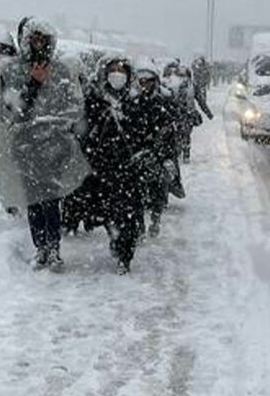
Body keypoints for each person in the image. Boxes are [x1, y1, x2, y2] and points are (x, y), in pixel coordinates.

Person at [0, 17, 89, 268]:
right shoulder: (12, 71)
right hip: (26, 146)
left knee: (52, 199)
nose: (39, 45)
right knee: (33, 198)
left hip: (55, 145)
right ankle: (40, 248)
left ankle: (53, 248)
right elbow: (13, 112)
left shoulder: (62, 71)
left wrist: (63, 127)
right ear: (25, 41)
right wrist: (34, 84)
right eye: (34, 39)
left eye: (44, 40)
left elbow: (71, 106)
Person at [81, 57, 145, 274]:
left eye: (121, 71)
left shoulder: (136, 101)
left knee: (129, 213)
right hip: (103, 166)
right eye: (113, 70)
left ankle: (125, 254)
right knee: (108, 211)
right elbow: (86, 130)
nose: (117, 75)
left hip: (129, 167)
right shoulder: (95, 98)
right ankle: (115, 238)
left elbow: (143, 131)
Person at [128, 60, 179, 238]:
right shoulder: (132, 102)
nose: (145, 85)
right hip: (138, 154)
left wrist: (165, 155)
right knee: (136, 194)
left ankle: (155, 220)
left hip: (158, 153)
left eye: (148, 81)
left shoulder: (163, 102)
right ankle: (140, 225)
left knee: (159, 190)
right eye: (141, 81)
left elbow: (170, 131)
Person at [163, 60, 199, 168]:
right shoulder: (171, 85)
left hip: (188, 114)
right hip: (177, 114)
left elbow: (199, 99)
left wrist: (208, 113)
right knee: (177, 133)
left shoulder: (191, 86)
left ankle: (186, 153)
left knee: (186, 134)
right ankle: (179, 151)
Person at [190, 55, 214, 122]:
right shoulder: (196, 67)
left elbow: (208, 75)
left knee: (202, 98)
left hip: (201, 84)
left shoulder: (204, 67)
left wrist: (207, 82)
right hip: (198, 83)